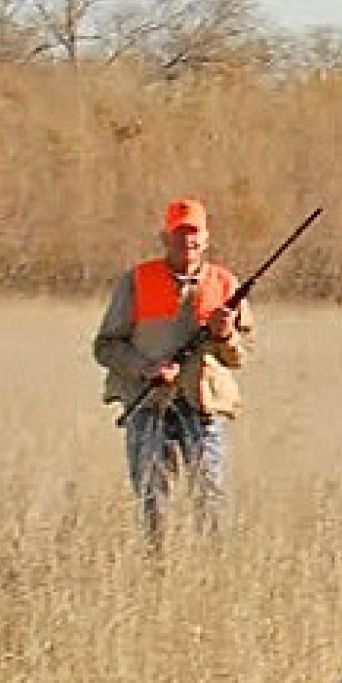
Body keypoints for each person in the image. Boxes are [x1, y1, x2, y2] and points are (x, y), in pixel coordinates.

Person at [93, 197, 253, 547]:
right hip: (148, 405)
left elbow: (240, 356)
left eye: (194, 233)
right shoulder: (137, 281)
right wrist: (146, 368)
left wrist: (225, 335)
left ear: (206, 238)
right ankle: (158, 575)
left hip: (204, 407)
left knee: (211, 501)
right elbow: (105, 346)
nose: (188, 241)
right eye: (180, 233)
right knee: (153, 504)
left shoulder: (225, 284)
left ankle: (215, 576)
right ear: (165, 237)